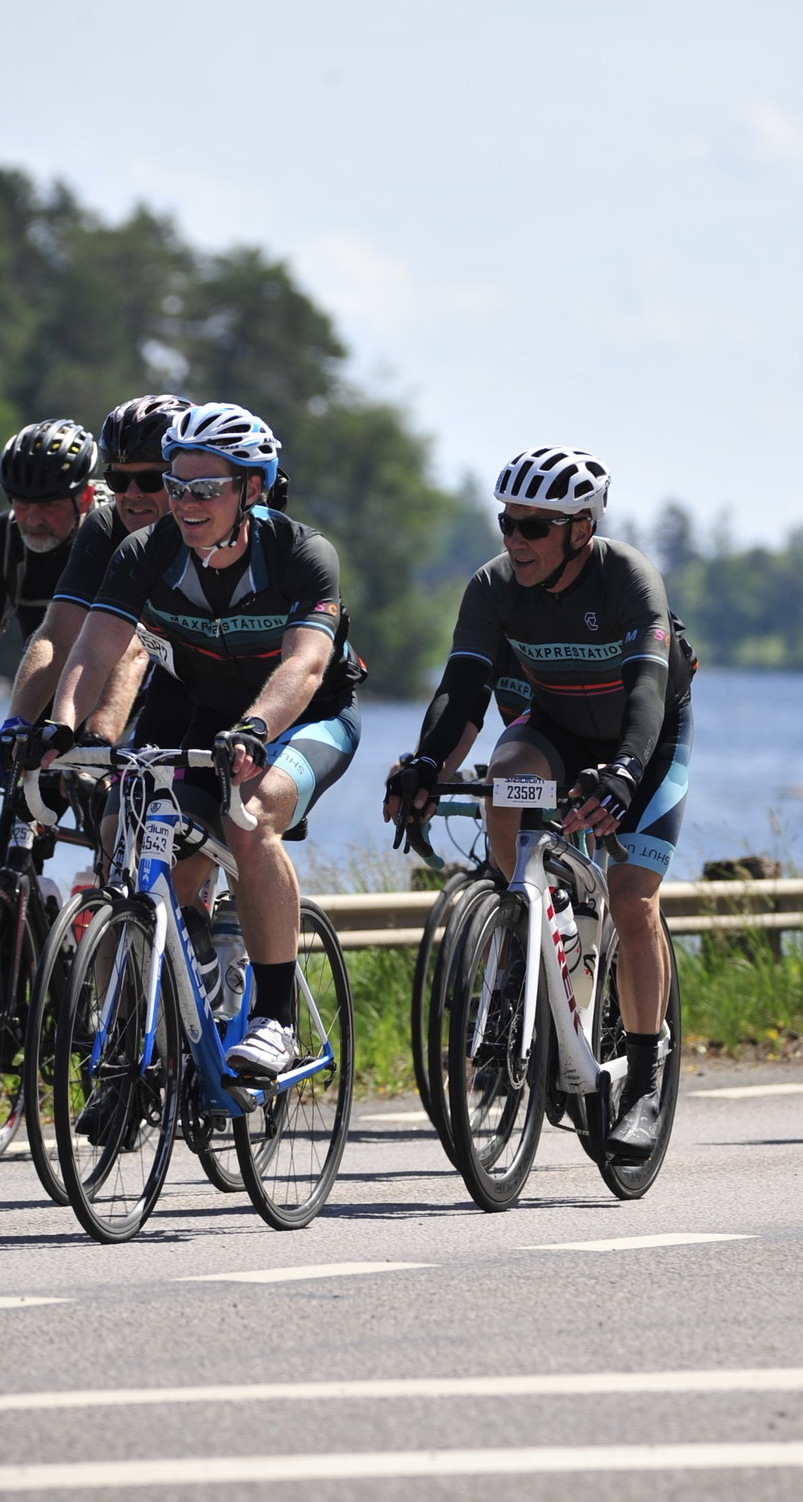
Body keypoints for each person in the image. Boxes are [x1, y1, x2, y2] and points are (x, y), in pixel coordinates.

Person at [34, 402, 365, 1081]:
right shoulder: (145, 551)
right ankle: (188, 986)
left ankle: (275, 1019)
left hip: (307, 718)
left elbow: (305, 666)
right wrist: (59, 727)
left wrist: (256, 729)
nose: (185, 504)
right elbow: (95, 648)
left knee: (251, 817)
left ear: (252, 488)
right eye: (176, 487)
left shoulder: (301, 553)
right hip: (209, 718)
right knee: (145, 830)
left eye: (206, 489)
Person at [385, 445, 696, 1156]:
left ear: (581, 530)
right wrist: (427, 764)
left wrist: (623, 771)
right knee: (504, 779)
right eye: (507, 523)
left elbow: (647, 692)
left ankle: (645, 1081)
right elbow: (462, 689)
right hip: (554, 727)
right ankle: (521, 934)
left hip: (645, 740)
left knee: (631, 899)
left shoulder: (627, 578)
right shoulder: (494, 586)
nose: (515, 540)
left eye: (533, 527)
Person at [0, 395, 195, 763]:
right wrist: (19, 724)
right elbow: (58, 637)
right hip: (161, 685)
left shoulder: (221, 530)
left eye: (149, 479)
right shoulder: (105, 526)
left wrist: (96, 740)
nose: (131, 495)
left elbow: (133, 647)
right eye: (119, 479)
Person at [0, 419, 102, 652]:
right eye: (22, 505)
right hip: (44, 666)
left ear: (85, 498)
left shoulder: (119, 534)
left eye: (49, 506)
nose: (33, 520)